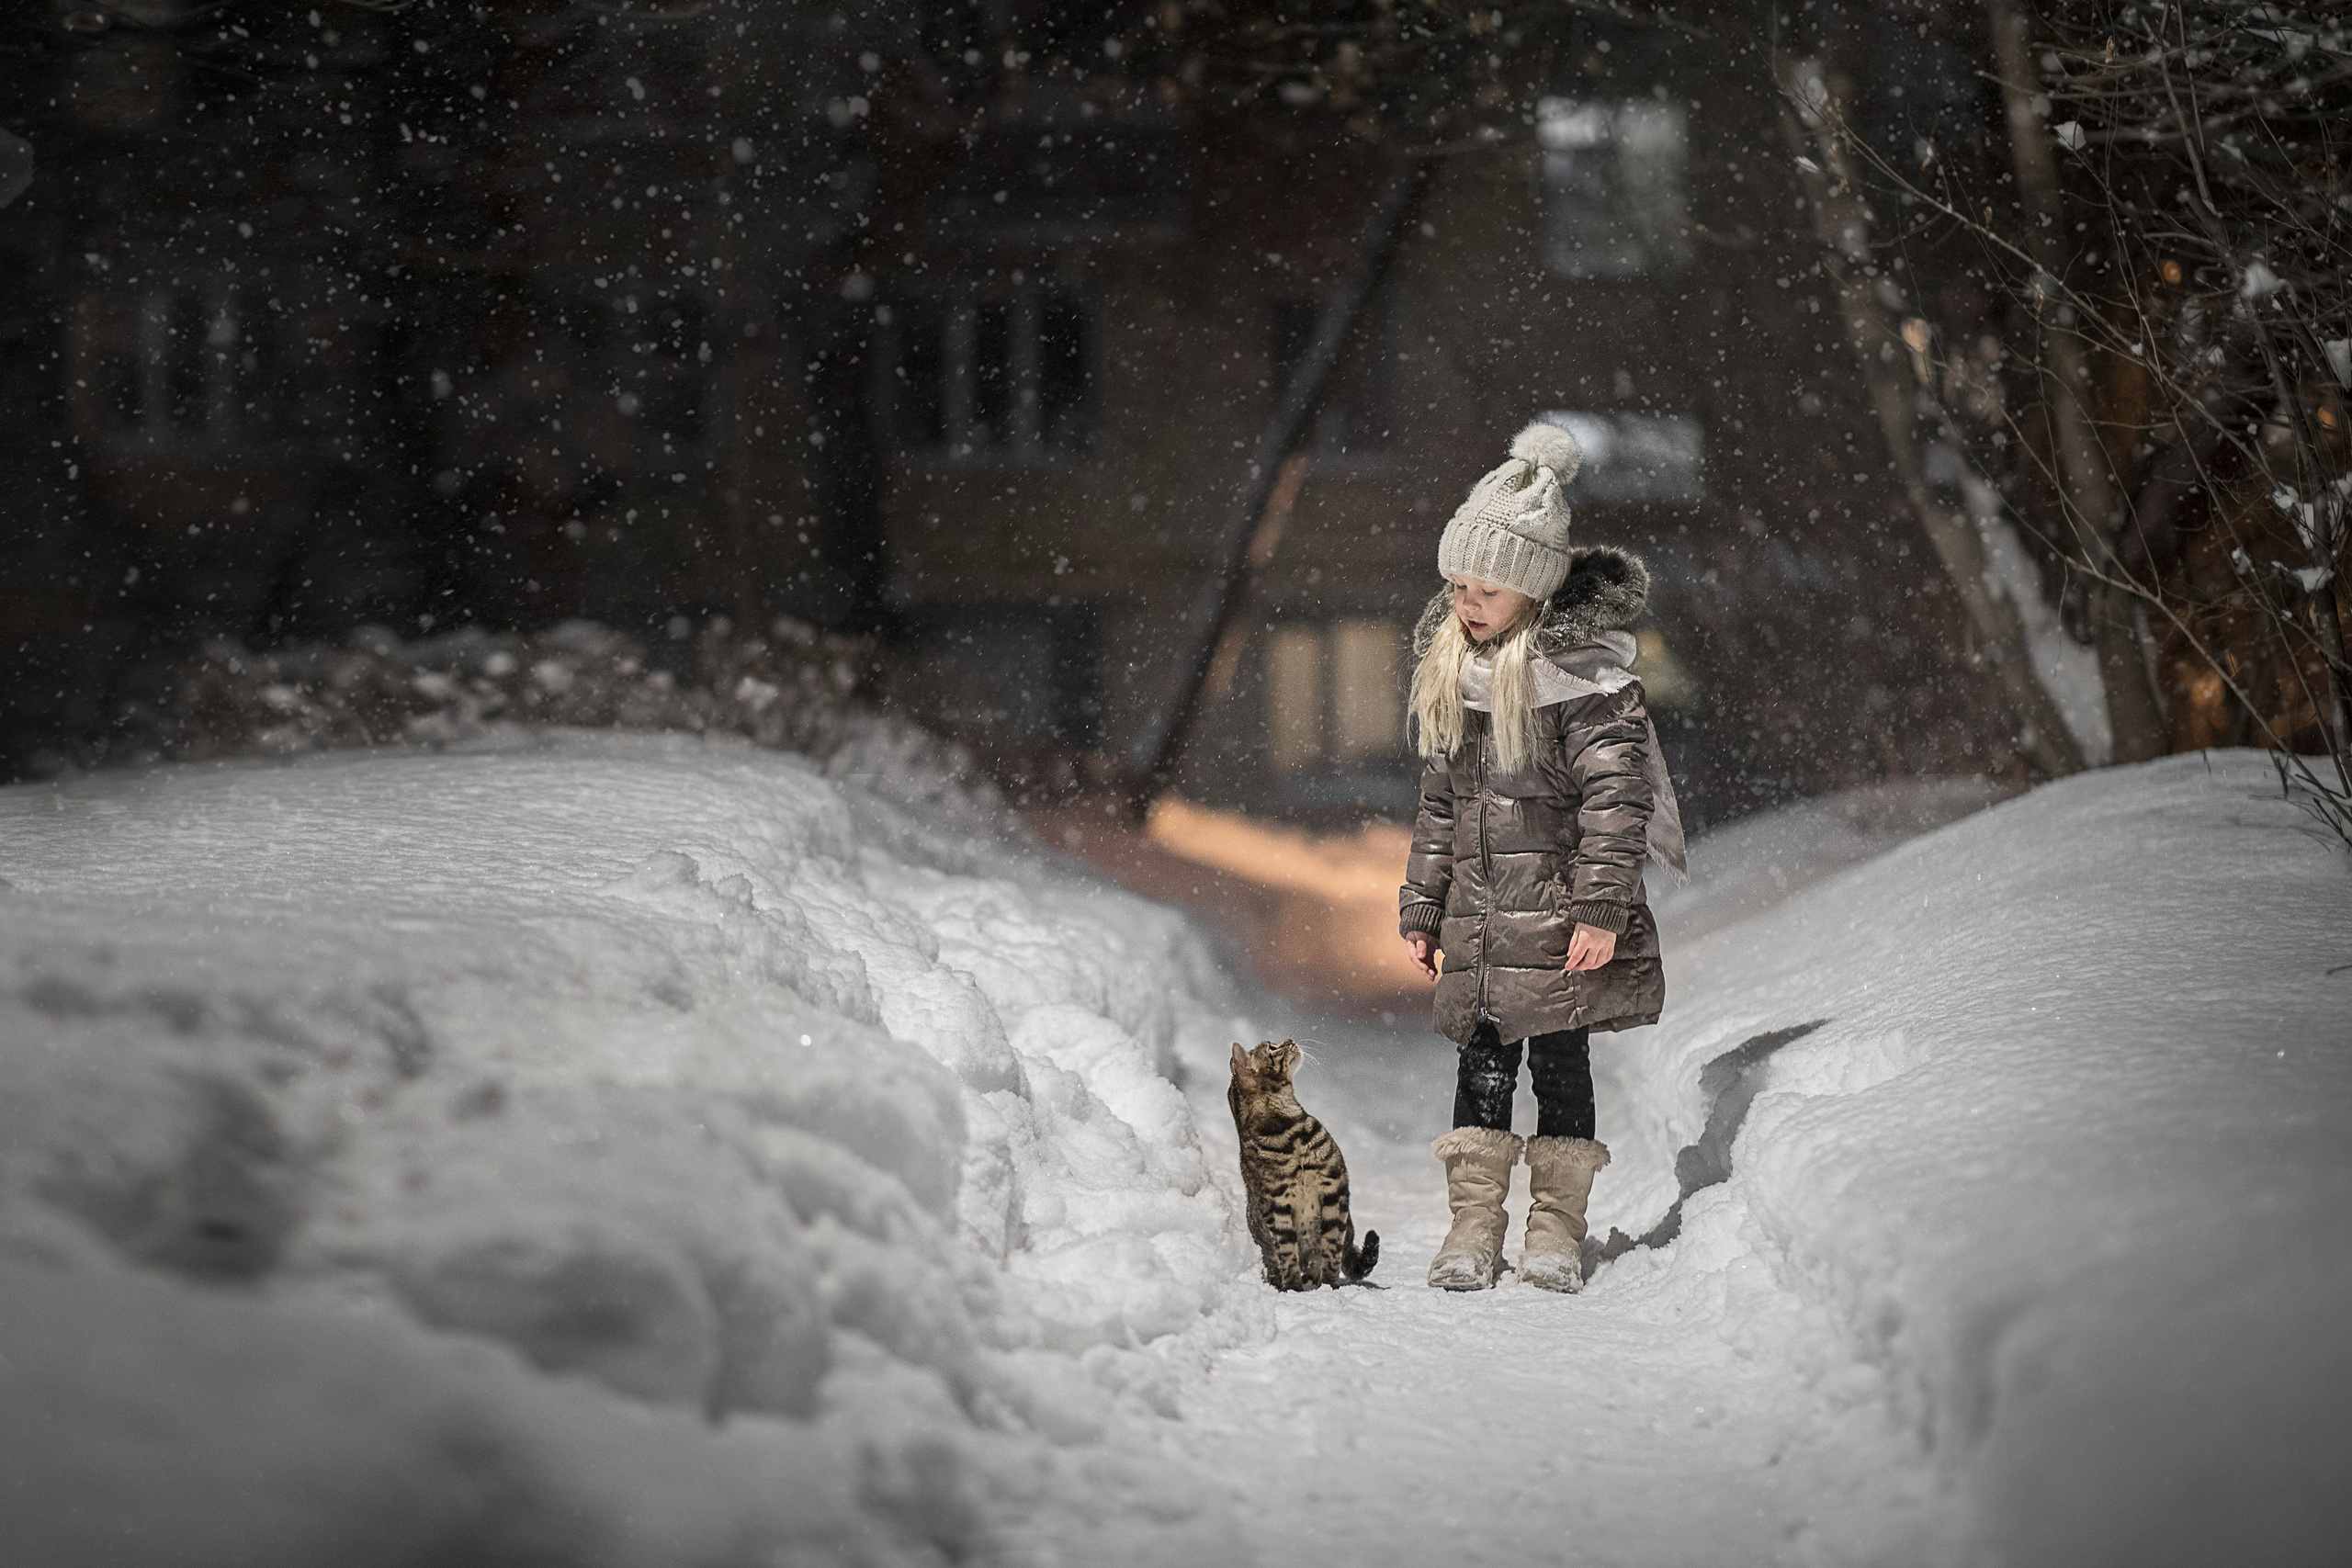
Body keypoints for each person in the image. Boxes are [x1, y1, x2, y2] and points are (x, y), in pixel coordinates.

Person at [1397, 421, 1685, 1293]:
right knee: (1481, 1066)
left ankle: (1556, 1228)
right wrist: (1421, 901)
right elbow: (1441, 806)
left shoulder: (1584, 686)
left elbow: (1617, 802)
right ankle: (1473, 1228)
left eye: (1486, 587)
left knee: (1560, 1063)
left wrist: (1601, 909)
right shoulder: (1458, 675)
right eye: (1456, 585)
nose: (1467, 604)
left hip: (1560, 917)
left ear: (1530, 588)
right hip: (1482, 922)